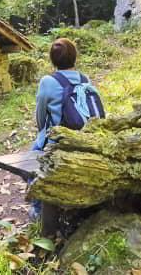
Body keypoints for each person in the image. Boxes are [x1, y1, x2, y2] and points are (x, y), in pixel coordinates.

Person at [28, 38, 103, 220]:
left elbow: (41, 116)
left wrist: (42, 132)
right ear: (74, 57)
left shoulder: (48, 81)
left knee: (33, 156)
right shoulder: (85, 79)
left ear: (53, 60)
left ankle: (38, 209)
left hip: (59, 142)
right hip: (87, 138)